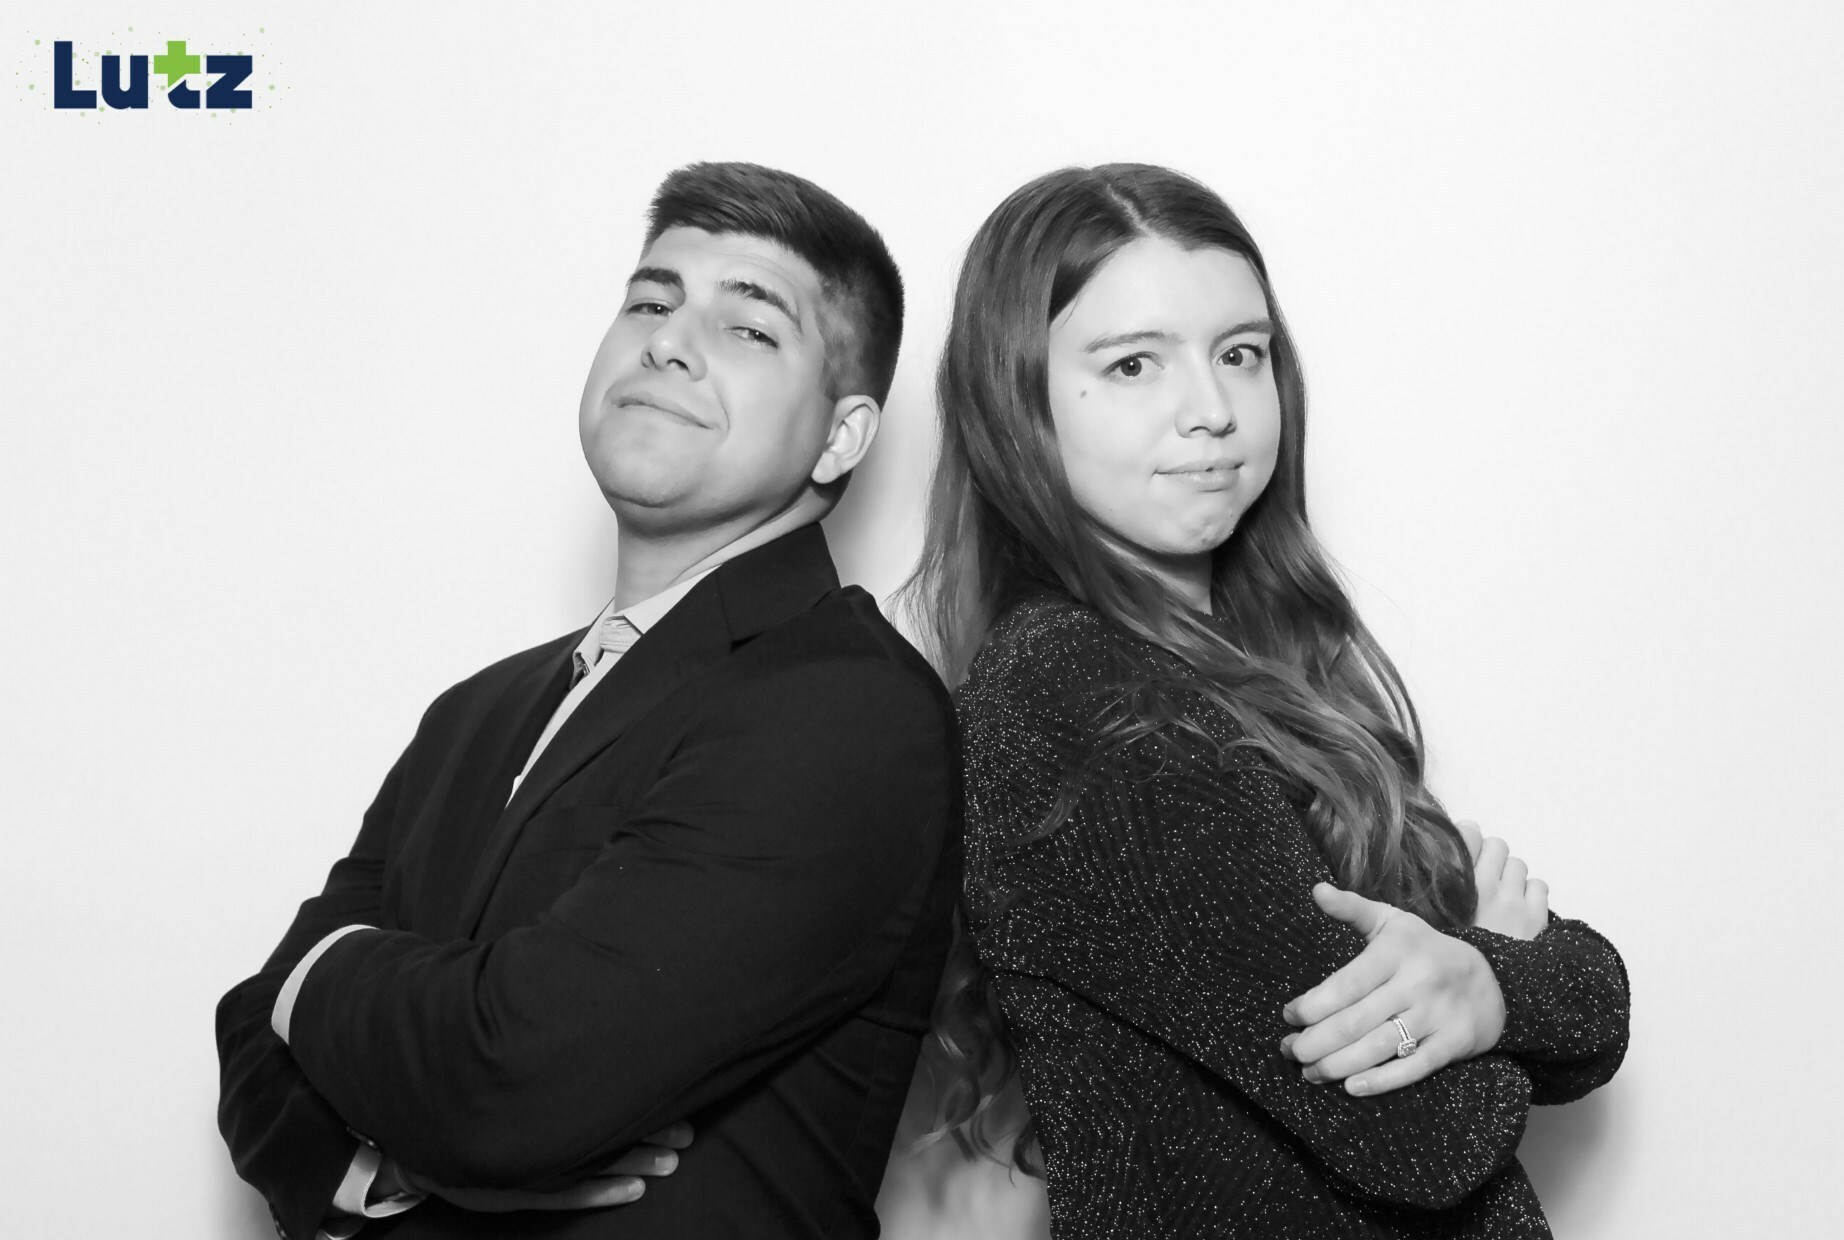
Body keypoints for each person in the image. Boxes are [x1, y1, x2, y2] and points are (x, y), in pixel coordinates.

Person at [216, 161, 960, 1240]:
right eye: (651, 303)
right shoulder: (475, 712)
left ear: (841, 436)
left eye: (750, 328)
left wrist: (315, 968)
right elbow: (249, 1047)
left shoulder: (846, 709)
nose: (668, 342)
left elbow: (513, 1078)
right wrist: (393, 1157)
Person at [906, 164, 1630, 1236]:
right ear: (1016, 403)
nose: (1212, 411)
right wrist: (1496, 971)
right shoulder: (1073, 696)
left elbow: (1600, 1010)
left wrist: (1484, 982)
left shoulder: (1251, 663)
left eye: (1240, 354)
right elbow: (1422, 1131)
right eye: (1134, 363)